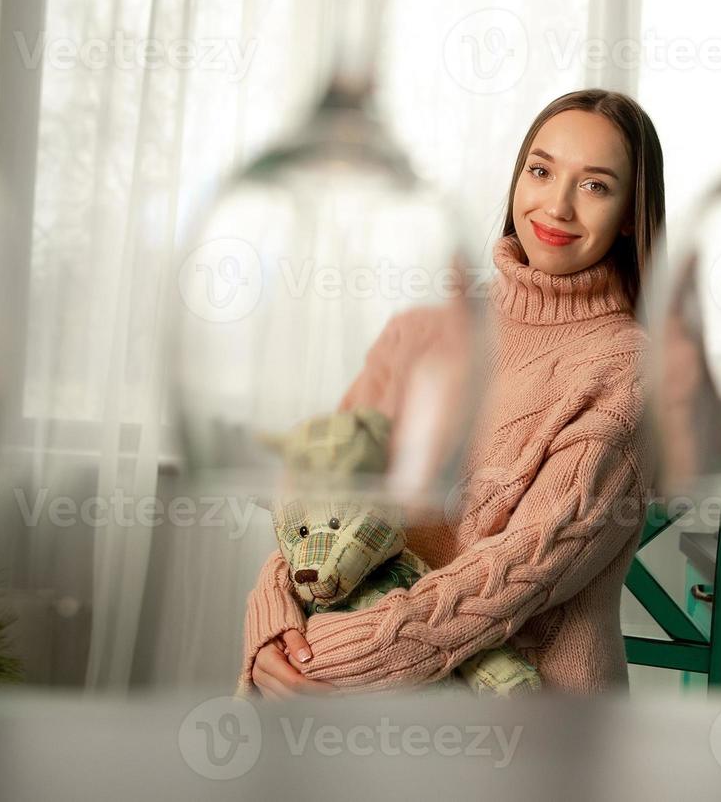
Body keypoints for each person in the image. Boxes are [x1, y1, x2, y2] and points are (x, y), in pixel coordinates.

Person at [240, 88, 666, 697]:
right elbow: (316, 501)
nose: (558, 205)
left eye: (595, 185)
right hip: (366, 688)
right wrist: (275, 623)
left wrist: (325, 659)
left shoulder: (628, 372)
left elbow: (513, 579)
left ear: (630, 214)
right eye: (541, 171)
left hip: (532, 722)